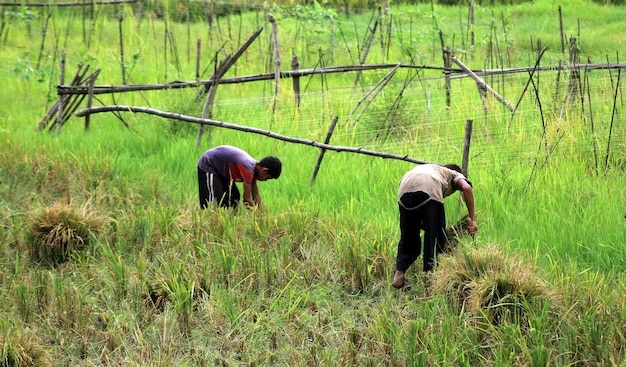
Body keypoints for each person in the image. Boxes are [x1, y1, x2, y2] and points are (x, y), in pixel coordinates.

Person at [392, 163, 477, 288]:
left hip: (404, 188)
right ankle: (430, 280)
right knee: (435, 238)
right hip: (429, 188)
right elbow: (467, 188)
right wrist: (472, 218)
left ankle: (399, 274)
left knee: (408, 237)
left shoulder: (434, 169)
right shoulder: (454, 174)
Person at [197, 145, 282, 210]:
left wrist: (264, 215)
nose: (265, 180)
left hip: (221, 170)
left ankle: (228, 222)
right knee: (215, 201)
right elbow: (247, 200)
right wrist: (258, 217)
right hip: (209, 164)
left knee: (234, 197)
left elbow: (256, 196)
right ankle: (209, 223)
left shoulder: (254, 171)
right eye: (267, 178)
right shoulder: (248, 168)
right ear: (264, 171)